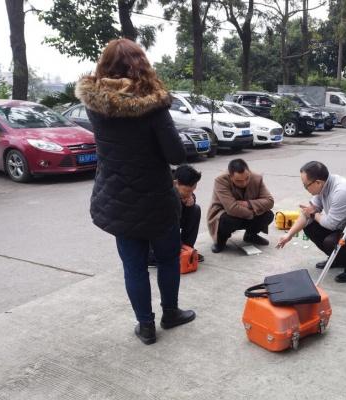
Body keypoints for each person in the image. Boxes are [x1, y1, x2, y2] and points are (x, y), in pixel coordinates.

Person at [75, 38, 195, 345]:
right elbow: (176, 155)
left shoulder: (95, 104)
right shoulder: (153, 105)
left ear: (104, 65)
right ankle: (170, 313)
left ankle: (146, 326)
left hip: (117, 200)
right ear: (141, 65)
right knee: (167, 259)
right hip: (157, 200)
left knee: (134, 266)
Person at [276, 161, 346, 283]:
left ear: (318, 182)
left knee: (331, 242)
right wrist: (289, 234)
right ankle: (337, 258)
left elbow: (330, 224)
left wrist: (313, 214)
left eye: (306, 185)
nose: (305, 188)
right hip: (343, 227)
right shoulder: (323, 186)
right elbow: (307, 214)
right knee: (309, 226)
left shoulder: (342, 192)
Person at [207, 159, 274, 253]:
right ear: (230, 176)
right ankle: (220, 240)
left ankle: (250, 235)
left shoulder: (257, 178)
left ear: (249, 172)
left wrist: (248, 203)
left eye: (247, 178)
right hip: (227, 214)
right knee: (226, 220)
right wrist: (253, 213)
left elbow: (270, 201)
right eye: (238, 181)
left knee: (268, 215)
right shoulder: (221, 180)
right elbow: (232, 209)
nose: (244, 183)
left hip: (246, 212)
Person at [148, 164, 204, 266]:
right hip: (156, 225)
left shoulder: (183, 186)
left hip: (174, 217)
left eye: (193, 190)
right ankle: (153, 254)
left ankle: (187, 249)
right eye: (188, 191)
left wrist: (191, 200)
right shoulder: (162, 187)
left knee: (195, 209)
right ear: (175, 183)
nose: (190, 193)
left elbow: (188, 195)